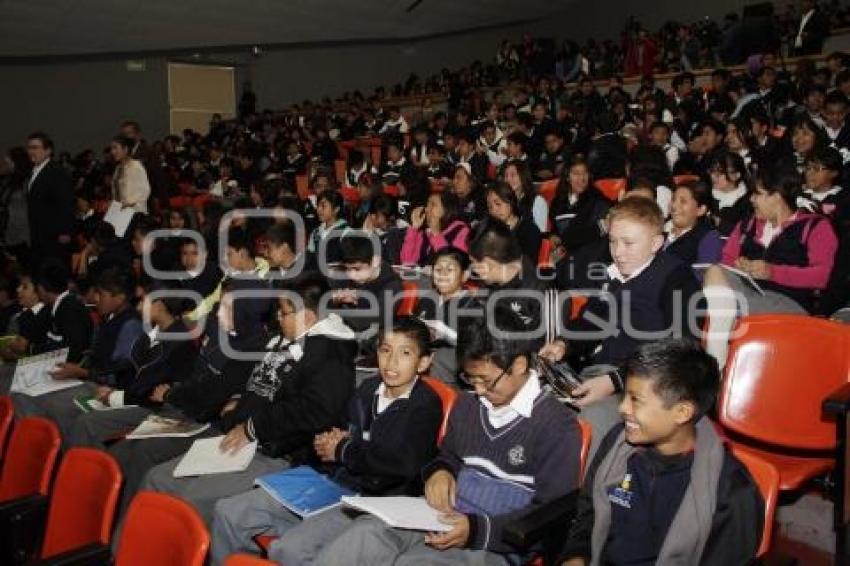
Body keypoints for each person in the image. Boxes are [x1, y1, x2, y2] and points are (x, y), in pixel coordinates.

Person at [307, 307, 582, 566]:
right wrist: (441, 472)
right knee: (363, 536)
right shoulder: (468, 404)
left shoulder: (558, 425)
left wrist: (475, 530)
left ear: (519, 365)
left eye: (485, 380)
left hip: (493, 542)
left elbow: (550, 512)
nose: (478, 390)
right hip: (438, 516)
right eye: (470, 379)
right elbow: (447, 455)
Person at [210, 317, 443, 565]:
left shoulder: (424, 405)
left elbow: (401, 463)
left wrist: (344, 449)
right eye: (385, 350)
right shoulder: (368, 388)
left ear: (424, 362)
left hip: (374, 500)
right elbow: (338, 429)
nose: (392, 361)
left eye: (405, 353)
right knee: (229, 511)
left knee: (289, 550)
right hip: (333, 482)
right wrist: (325, 441)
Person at [138, 274, 357, 524]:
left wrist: (253, 427)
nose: (277, 318)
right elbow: (250, 385)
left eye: (284, 313)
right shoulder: (279, 340)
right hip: (236, 433)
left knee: (188, 501)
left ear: (306, 317)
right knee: (158, 479)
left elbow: (314, 410)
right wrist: (240, 402)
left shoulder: (331, 353)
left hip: (273, 450)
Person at [558, 339, 763, 566]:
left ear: (682, 412)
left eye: (636, 400)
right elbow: (588, 517)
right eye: (624, 396)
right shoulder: (617, 444)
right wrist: (575, 557)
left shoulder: (731, 490)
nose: (622, 408)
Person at [539, 197, 701, 455]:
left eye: (628, 243)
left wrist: (616, 381)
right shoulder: (613, 275)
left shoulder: (676, 278)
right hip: (597, 375)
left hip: (644, 387)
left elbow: (680, 349)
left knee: (586, 425)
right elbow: (592, 322)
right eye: (613, 241)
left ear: (656, 243)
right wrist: (563, 344)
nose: (618, 251)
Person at [703, 165, 838, 362]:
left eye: (757, 194)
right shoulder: (746, 225)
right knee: (715, 271)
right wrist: (740, 265)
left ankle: (716, 361)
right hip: (747, 294)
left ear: (777, 196)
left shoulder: (815, 226)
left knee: (720, 298)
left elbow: (821, 276)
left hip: (790, 305)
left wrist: (772, 272)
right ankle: (718, 356)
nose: (751, 199)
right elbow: (727, 260)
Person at [68, 283, 199, 449]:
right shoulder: (151, 335)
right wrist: (114, 392)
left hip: (157, 409)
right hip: (135, 398)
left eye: (143, 301)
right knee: (75, 408)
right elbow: (135, 372)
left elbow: (155, 391)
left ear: (159, 307)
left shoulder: (179, 343)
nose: (138, 306)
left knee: (86, 423)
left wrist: (116, 397)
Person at [415, 247, 476, 383]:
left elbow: (473, 344)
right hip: (425, 353)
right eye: (438, 270)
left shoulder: (472, 304)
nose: (442, 274)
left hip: (455, 361)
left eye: (450, 270)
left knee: (440, 357)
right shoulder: (427, 300)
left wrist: (445, 332)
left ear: (464, 275)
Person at [25, 132, 74, 269]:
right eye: (29, 147)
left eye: (35, 147)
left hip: (53, 234)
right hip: (38, 233)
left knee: (53, 271)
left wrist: (65, 231)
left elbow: (67, 202)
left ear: (48, 150)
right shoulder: (34, 171)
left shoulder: (57, 172)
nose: (31, 151)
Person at [549, 157, 610, 255]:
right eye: (576, 173)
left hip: (586, 252)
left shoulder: (596, 199)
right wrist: (553, 236)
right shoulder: (557, 202)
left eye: (585, 173)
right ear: (567, 177)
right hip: (563, 253)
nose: (582, 178)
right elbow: (555, 229)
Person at [400, 192, 469, 266]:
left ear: (447, 208)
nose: (427, 209)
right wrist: (413, 229)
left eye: (433, 204)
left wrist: (436, 234)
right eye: (427, 205)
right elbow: (407, 262)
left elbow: (450, 264)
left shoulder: (460, 230)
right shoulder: (424, 231)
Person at [664, 181, 724, 267]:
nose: (674, 206)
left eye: (683, 201)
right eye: (673, 199)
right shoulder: (659, 229)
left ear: (700, 210)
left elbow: (705, 274)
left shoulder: (707, 238)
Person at [485, 182, 542, 262]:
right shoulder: (490, 230)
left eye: (498, 204)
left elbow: (526, 264)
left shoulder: (529, 230)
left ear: (510, 202)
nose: (494, 210)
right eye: (490, 207)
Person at [708, 151, 752, 237]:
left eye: (720, 173)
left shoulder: (748, 202)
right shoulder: (707, 194)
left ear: (737, 175)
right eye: (712, 171)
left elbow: (745, 235)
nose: (713, 176)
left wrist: (719, 223)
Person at [110, 135, 151, 214]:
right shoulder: (118, 168)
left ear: (125, 149)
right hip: (119, 211)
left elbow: (145, 190)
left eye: (115, 148)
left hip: (134, 212)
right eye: (111, 149)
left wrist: (128, 202)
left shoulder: (135, 165)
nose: (112, 152)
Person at [503, 160, 548, 232]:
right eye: (506, 176)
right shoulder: (502, 201)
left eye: (513, 175)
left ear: (523, 176)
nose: (508, 179)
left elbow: (540, 233)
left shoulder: (537, 201)